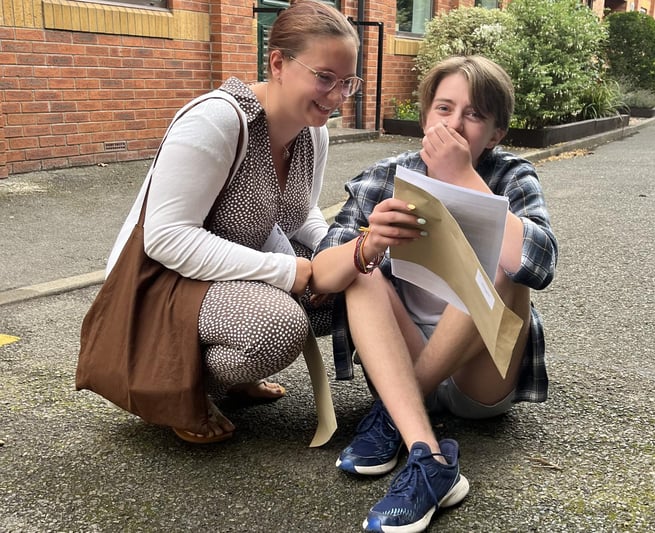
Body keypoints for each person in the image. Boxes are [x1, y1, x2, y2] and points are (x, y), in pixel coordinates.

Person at [312, 55, 558, 532]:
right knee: (358, 270)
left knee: (506, 264)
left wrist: (464, 178)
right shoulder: (385, 175)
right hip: (399, 356)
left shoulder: (512, 175)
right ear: (426, 116)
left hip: (480, 374)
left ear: (496, 133)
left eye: (474, 115)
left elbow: (539, 265)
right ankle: (431, 461)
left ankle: (390, 417)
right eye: (444, 108)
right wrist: (371, 242)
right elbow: (320, 280)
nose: (455, 124)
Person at [105, 0, 361, 444]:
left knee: (349, 288)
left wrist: (329, 255)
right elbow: (166, 239)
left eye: (347, 83)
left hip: (230, 275)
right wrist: (290, 273)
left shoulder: (313, 132)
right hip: (165, 285)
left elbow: (301, 215)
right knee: (278, 326)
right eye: (324, 78)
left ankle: (236, 378)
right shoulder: (218, 119)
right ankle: (174, 390)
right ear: (278, 63)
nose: (337, 97)